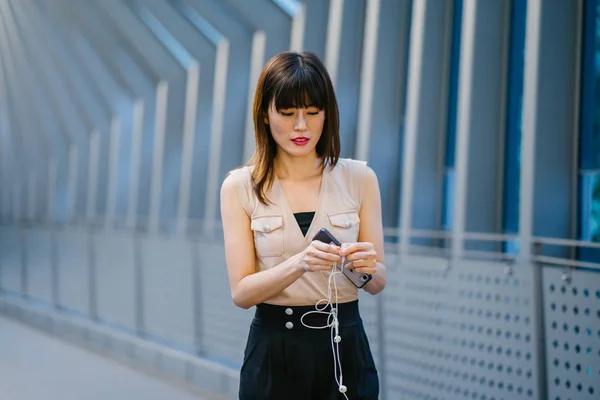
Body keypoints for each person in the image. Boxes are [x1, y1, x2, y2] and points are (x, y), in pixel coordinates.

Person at [220, 51, 387, 400]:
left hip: (344, 346)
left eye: (312, 113)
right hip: (273, 349)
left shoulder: (360, 179)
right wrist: (300, 263)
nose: (301, 126)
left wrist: (365, 267)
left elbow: (378, 282)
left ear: (327, 114)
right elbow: (241, 293)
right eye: (287, 113)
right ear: (265, 115)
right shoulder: (240, 187)